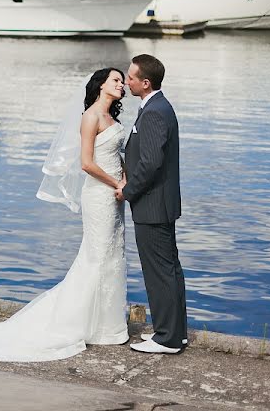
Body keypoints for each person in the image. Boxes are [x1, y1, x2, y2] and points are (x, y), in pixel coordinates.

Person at [0, 68, 130, 361]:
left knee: (112, 256)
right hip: (98, 194)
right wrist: (116, 182)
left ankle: (107, 327)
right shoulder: (91, 116)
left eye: (122, 81)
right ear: (100, 85)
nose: (121, 85)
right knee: (95, 257)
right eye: (116, 80)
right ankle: (74, 323)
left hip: (115, 196)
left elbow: (114, 156)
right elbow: (86, 163)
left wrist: (126, 179)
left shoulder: (113, 119)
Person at [116, 54, 188, 354]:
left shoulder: (156, 111)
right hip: (158, 205)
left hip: (153, 206)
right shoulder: (155, 106)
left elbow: (151, 162)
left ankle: (168, 339)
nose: (126, 81)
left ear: (145, 83)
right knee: (168, 270)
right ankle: (173, 332)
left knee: (160, 272)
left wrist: (128, 190)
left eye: (131, 78)